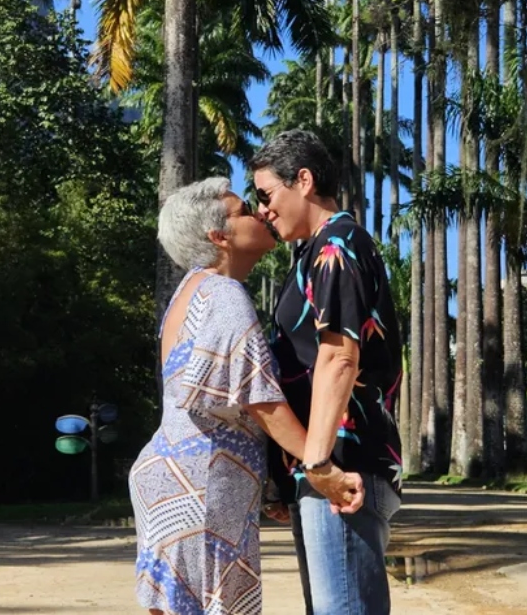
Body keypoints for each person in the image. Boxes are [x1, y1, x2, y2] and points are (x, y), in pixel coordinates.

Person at [130, 177, 365, 615]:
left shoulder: (188, 293)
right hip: (202, 483)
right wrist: (320, 467)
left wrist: (271, 484)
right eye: (243, 211)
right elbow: (259, 399)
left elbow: (225, 402)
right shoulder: (223, 294)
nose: (260, 214)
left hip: (176, 475)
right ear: (218, 236)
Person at [252, 130, 404, 614]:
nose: (263, 211)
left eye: (266, 195)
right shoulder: (312, 253)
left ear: (304, 180)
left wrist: (317, 465)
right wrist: (289, 475)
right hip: (325, 468)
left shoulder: (337, 245)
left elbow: (338, 356)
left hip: (342, 465)